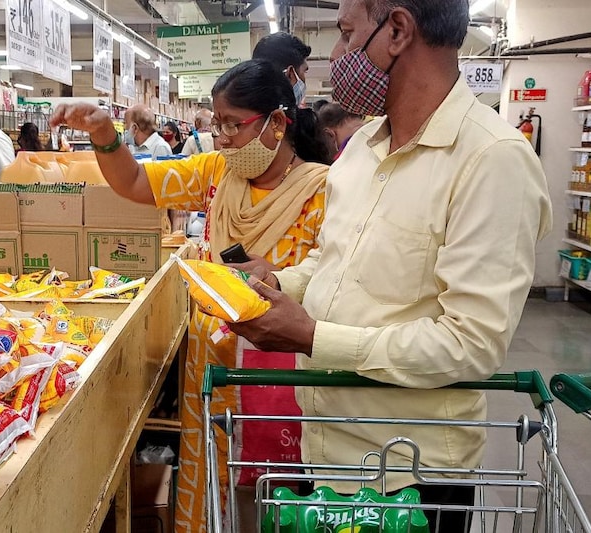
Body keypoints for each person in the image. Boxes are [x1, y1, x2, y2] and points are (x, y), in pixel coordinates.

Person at [228, 2, 552, 532]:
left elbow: (471, 344)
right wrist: (279, 282)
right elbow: (333, 259)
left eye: (346, 33)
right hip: (325, 450)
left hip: (409, 474)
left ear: (397, 30)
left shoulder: (492, 160)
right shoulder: (360, 152)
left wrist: (313, 337)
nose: (337, 55)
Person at [51, 59, 331, 533]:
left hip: (278, 379)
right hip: (210, 367)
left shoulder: (320, 191)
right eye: (217, 124)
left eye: (233, 126)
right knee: (211, 494)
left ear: (277, 123)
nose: (221, 138)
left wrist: (274, 277)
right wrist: (104, 133)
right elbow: (135, 182)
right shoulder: (216, 174)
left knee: (271, 501)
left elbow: (326, 276)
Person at [253, 32, 312, 108]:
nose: (304, 77)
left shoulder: (241, 110)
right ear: (290, 74)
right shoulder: (286, 118)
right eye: (304, 71)